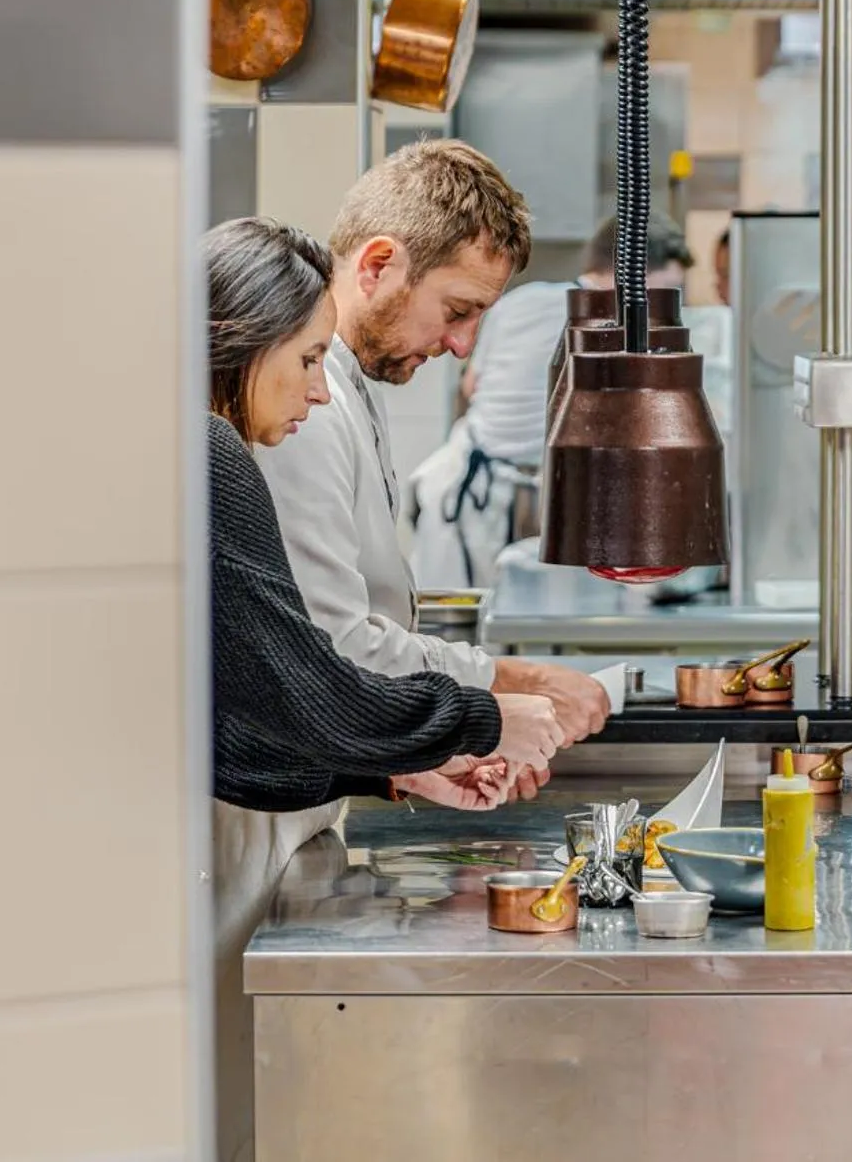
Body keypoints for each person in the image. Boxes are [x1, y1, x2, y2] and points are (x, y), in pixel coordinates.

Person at [203, 216, 574, 1162]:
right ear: (239, 344)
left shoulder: (192, 450)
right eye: (305, 359)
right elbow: (311, 690)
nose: (318, 390)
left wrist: (402, 769)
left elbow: (240, 730)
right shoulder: (211, 459)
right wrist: (485, 714)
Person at [255, 139, 612, 730]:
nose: (463, 345)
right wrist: (511, 680)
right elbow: (334, 645)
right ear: (376, 266)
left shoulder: (353, 386)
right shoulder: (305, 407)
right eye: (456, 311)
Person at [410, 213, 694, 588]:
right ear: (631, 273)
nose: (664, 309)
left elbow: (472, 387)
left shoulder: (521, 300)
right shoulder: (613, 327)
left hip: (478, 480)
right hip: (506, 498)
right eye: (666, 290)